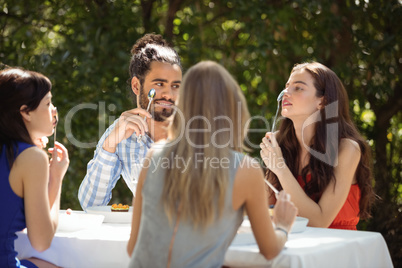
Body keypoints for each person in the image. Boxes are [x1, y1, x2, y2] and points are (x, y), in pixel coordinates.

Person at [127, 61, 298, 267]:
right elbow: (270, 251)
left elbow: (133, 247)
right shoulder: (246, 169)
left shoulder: (153, 156)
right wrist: (282, 226)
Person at [260, 61, 375, 230]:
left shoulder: (347, 149)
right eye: (287, 86)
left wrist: (280, 167)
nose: (286, 92)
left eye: (298, 88)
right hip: (292, 246)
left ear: (322, 102)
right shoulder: (280, 143)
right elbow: (265, 211)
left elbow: (319, 222)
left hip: (335, 249)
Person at [78, 33, 182, 210]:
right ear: (136, 86)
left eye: (175, 86)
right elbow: (90, 205)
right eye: (159, 84)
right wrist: (110, 145)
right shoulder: (121, 134)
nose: (168, 94)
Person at [0, 68, 69, 267]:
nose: (54, 110)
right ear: (25, 112)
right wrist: (56, 177)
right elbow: (41, 241)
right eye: (48, 103)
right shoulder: (30, 157)